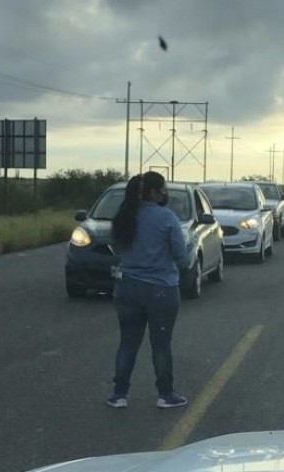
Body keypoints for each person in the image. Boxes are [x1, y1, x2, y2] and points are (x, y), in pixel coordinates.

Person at [106, 171, 189, 409]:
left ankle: (119, 394)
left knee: (127, 342)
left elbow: (116, 248)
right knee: (161, 344)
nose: (165, 194)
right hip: (161, 289)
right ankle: (165, 394)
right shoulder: (166, 217)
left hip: (127, 287)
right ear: (153, 193)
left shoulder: (123, 217)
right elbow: (181, 257)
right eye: (162, 190)